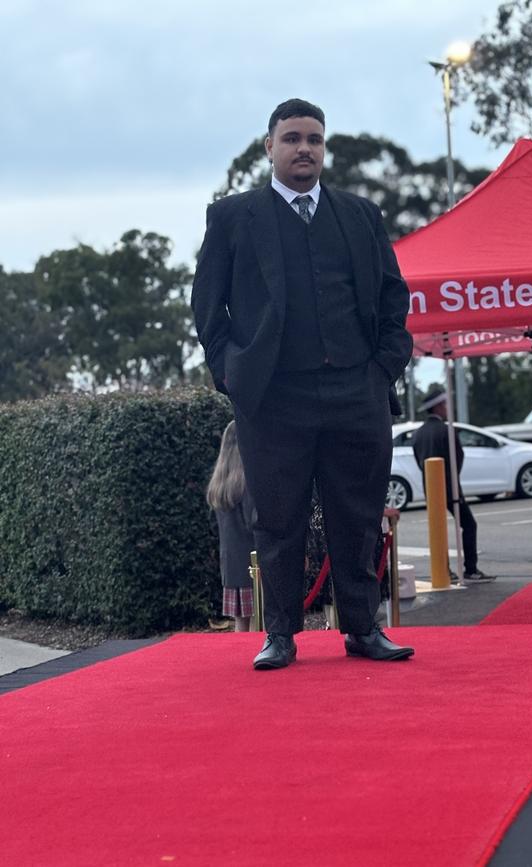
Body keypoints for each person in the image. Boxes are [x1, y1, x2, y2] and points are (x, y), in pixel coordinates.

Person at [192, 97, 414, 669]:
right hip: (273, 397)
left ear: (324, 148)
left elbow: (393, 296)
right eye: (291, 138)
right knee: (278, 519)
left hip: (355, 392)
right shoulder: (233, 217)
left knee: (358, 517)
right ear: (270, 147)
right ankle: (281, 635)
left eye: (314, 139)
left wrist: (383, 366)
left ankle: (363, 630)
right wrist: (231, 374)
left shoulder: (361, 215)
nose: (304, 149)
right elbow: (206, 308)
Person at [412, 384, 496, 584]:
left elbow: (418, 458)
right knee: (468, 524)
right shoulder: (447, 430)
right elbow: (458, 458)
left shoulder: (419, 433)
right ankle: (471, 569)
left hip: (430, 486)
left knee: (438, 529)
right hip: (450, 488)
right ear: (439, 407)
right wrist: (453, 478)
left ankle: (443, 569)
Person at [206, 421, 256, 632]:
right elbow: (253, 522)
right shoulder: (246, 481)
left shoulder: (218, 484)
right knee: (257, 622)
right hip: (251, 564)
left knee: (240, 623)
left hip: (230, 564)